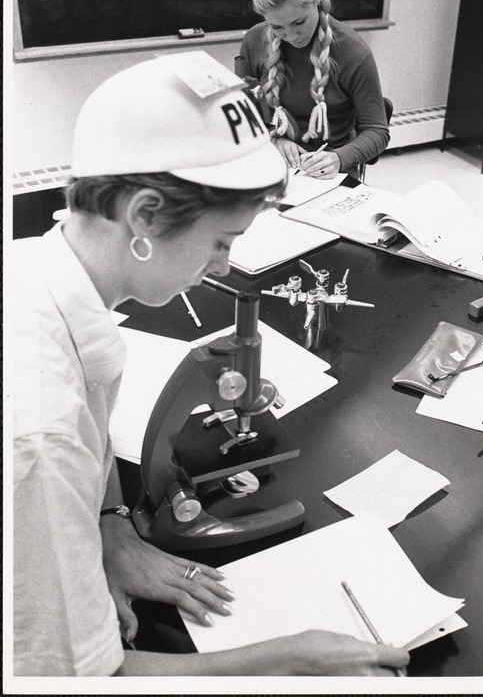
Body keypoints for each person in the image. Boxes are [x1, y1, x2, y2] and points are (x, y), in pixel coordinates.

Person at [11, 53, 409, 677]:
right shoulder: (39, 434)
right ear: (143, 215)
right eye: (222, 241)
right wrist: (289, 659)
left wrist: (109, 524)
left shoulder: (44, 273)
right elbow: (83, 683)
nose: (224, 266)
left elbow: (93, 397)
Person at [239, 0, 390, 180]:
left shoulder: (353, 53)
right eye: (277, 27)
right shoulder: (254, 42)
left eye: (299, 22)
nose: (291, 35)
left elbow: (377, 131)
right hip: (272, 162)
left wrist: (339, 158)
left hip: (330, 170)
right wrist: (275, 139)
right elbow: (245, 115)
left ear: (317, 0)